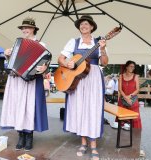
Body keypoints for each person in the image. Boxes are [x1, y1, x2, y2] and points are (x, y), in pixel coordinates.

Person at [58, 15, 108, 160]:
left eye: (87, 24)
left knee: (93, 109)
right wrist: (66, 63)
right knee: (79, 108)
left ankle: (93, 145)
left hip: (93, 77)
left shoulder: (99, 42)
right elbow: (60, 58)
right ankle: (83, 143)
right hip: (77, 79)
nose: (84, 26)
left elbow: (104, 63)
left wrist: (103, 49)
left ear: (92, 27)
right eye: (81, 24)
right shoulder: (73, 42)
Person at [0, 17, 49, 151]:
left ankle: (29, 136)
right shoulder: (17, 44)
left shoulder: (42, 44)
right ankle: (20, 135)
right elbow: (11, 64)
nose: (24, 30)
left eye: (27, 27)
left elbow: (46, 64)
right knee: (17, 106)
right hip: (16, 80)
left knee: (29, 108)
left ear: (33, 29)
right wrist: (7, 55)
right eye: (23, 28)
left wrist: (45, 68)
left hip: (31, 81)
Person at [116, 60, 142, 130]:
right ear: (126, 67)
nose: (132, 68)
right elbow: (120, 89)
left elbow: (137, 89)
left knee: (134, 118)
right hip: (122, 100)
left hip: (133, 100)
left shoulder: (136, 76)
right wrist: (126, 98)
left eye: (133, 67)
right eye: (131, 66)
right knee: (121, 119)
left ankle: (135, 135)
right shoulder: (121, 76)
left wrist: (129, 97)